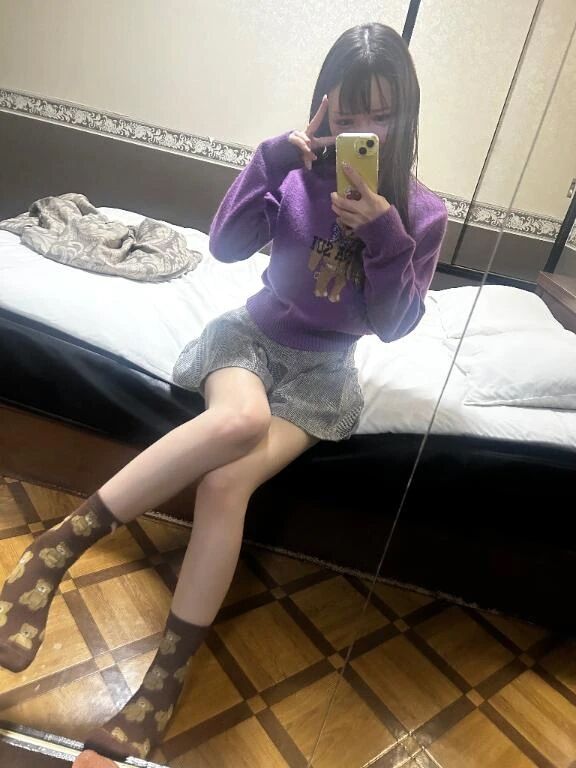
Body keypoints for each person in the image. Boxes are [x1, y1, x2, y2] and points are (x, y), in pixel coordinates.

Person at [0, 22, 447, 764]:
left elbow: (394, 326)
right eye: (350, 113)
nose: (365, 131)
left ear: (407, 113)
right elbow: (226, 246)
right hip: (250, 340)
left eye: (383, 114)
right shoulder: (295, 171)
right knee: (239, 419)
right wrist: (270, 161)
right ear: (325, 105)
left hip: (322, 375)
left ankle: (160, 686)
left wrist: (385, 235)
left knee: (226, 483)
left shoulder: (423, 215)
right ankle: (57, 551)